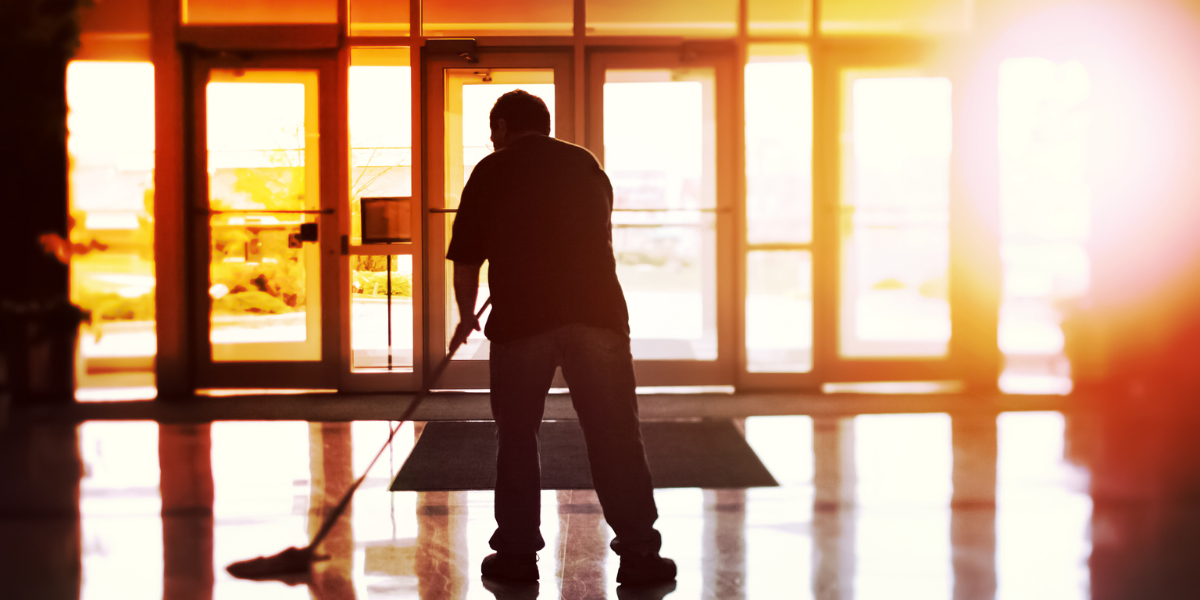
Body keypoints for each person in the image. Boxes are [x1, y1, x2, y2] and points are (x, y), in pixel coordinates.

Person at [447, 89, 676, 587]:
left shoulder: (491, 170)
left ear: (504, 127)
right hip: (597, 315)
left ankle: (515, 555)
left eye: (493, 130)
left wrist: (466, 316)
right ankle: (639, 554)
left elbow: (466, 258)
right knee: (616, 436)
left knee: (516, 438)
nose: (492, 139)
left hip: (521, 320)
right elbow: (595, 233)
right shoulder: (585, 165)